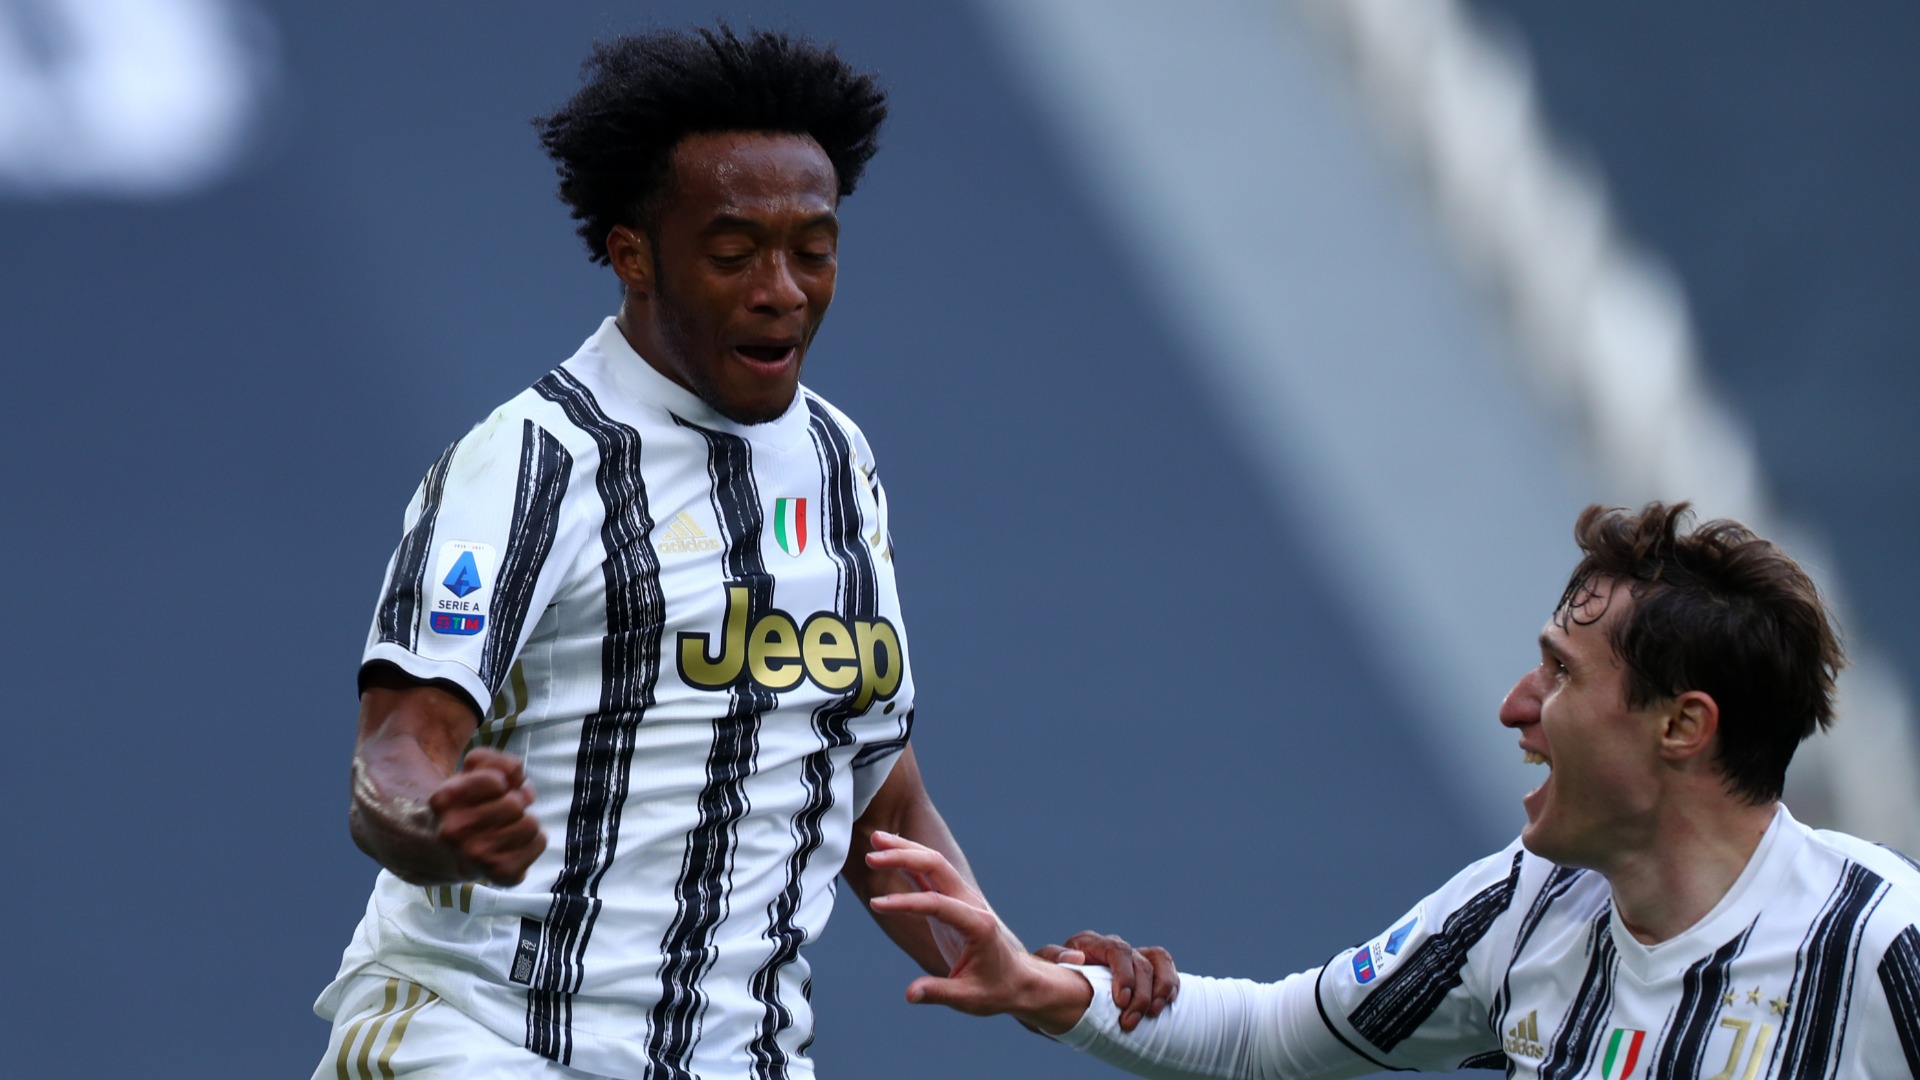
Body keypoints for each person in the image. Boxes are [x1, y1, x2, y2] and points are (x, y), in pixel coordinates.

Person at [310, 25, 1170, 1080]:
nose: (781, 288)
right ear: (634, 255)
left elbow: (873, 796)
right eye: (732, 253)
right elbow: (398, 745)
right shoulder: (532, 462)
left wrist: (1015, 967)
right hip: (480, 1040)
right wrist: (435, 825)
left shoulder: (840, 463)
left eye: (813, 249)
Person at [867, 503, 1920, 1077]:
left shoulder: (1881, 944)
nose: (1516, 707)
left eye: (1560, 673)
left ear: (1683, 726)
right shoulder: (1526, 905)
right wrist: (1052, 992)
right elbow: (1271, 1039)